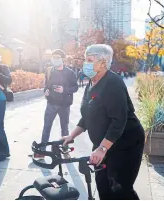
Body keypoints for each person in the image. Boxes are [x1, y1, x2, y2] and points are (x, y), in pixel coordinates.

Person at [62, 44, 145, 199]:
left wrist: (102, 149)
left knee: (119, 187)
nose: (85, 64)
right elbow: (86, 115)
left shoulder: (113, 83)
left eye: (89, 60)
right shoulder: (91, 83)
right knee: (102, 184)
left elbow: (119, 121)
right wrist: (71, 136)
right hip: (103, 143)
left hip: (125, 142)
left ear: (103, 62)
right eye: (85, 60)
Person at [34, 49, 78, 158]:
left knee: (64, 128)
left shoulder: (70, 72)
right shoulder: (49, 71)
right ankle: (42, 152)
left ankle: (65, 150)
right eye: (53, 57)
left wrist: (64, 90)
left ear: (62, 59)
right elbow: (46, 85)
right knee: (46, 127)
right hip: (51, 104)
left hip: (64, 105)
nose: (55, 60)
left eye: (57, 57)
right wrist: (46, 91)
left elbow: (75, 87)